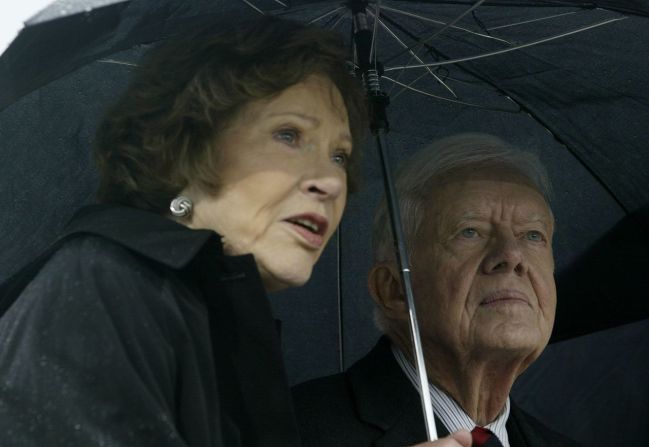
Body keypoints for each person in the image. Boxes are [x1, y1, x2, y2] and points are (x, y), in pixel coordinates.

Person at [0, 15, 472, 447]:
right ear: (183, 143)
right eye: (289, 135)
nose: (331, 182)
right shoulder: (101, 290)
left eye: (340, 156)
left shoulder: (191, 308)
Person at [292, 134, 582, 447]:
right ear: (393, 290)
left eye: (533, 236)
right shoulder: (285, 430)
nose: (512, 256)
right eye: (469, 231)